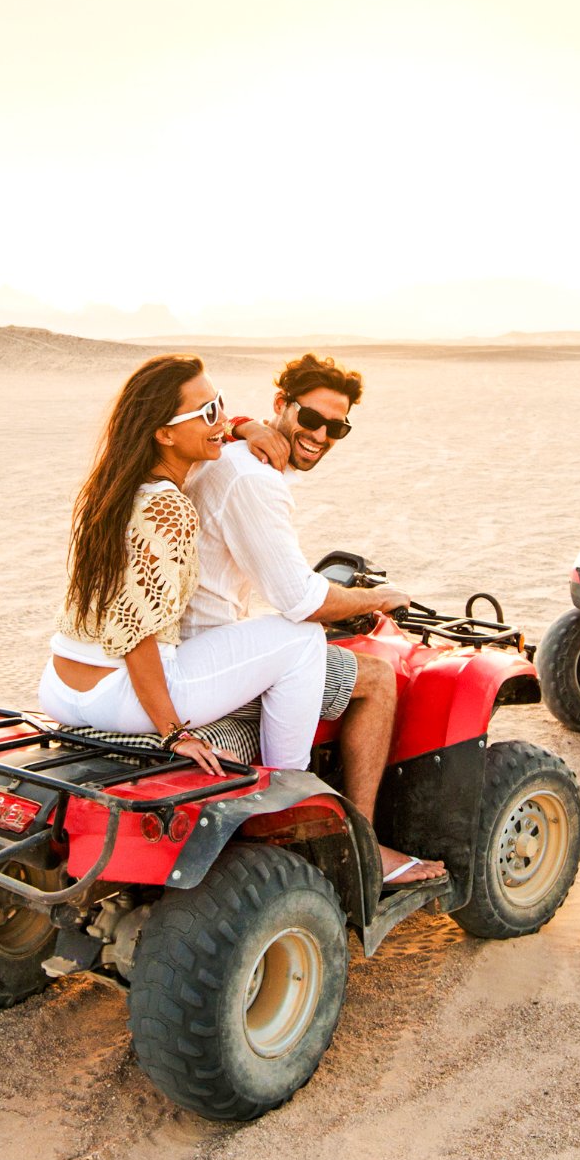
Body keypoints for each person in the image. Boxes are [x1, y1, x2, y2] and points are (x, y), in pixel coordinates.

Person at [189, 354, 443, 887]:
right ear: (281, 405)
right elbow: (302, 601)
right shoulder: (255, 478)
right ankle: (363, 848)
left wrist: (243, 423)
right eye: (311, 419)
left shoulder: (225, 450)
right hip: (206, 654)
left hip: (198, 638)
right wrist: (376, 598)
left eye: (338, 427)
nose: (321, 435)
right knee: (373, 678)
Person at [38, 356, 330, 776]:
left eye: (222, 403)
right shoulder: (169, 507)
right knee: (303, 638)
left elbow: (203, 425)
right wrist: (175, 733)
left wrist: (243, 426)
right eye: (211, 412)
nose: (224, 419)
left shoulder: (113, 489)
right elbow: (136, 633)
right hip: (121, 698)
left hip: (60, 687)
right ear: (163, 434)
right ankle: (288, 787)